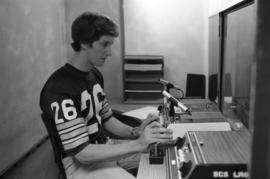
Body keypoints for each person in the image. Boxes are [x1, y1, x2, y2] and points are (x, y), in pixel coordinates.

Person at [40, 12, 173, 179]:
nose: (109, 52)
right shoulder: (60, 88)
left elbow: (107, 120)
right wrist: (137, 144)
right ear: (83, 43)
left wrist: (137, 131)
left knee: (167, 157)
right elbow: (82, 153)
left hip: (105, 147)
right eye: (104, 44)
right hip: (81, 163)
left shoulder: (94, 74)